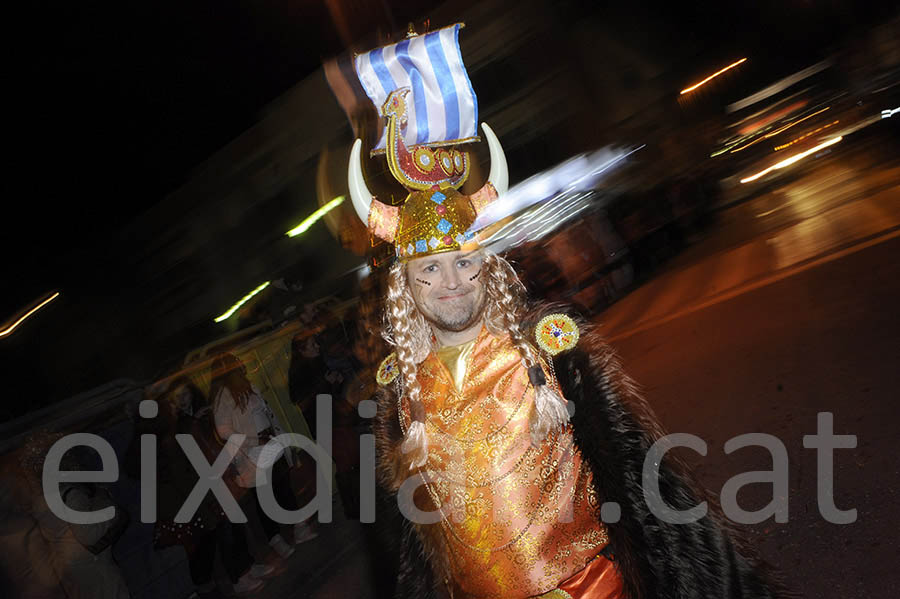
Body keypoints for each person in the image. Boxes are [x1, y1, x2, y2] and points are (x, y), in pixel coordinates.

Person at [344, 27, 783, 598]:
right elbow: (408, 554)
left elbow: (647, 489)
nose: (450, 282)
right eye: (429, 270)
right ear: (406, 287)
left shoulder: (551, 353)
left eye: (464, 262)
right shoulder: (398, 401)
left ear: (488, 266)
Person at [210, 354, 317, 558]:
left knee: (283, 486)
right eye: (236, 363)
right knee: (264, 498)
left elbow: (268, 414)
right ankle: (275, 539)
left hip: (271, 442)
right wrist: (252, 440)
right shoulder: (222, 396)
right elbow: (223, 430)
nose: (242, 365)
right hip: (252, 452)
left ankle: (299, 528)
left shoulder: (248, 387)